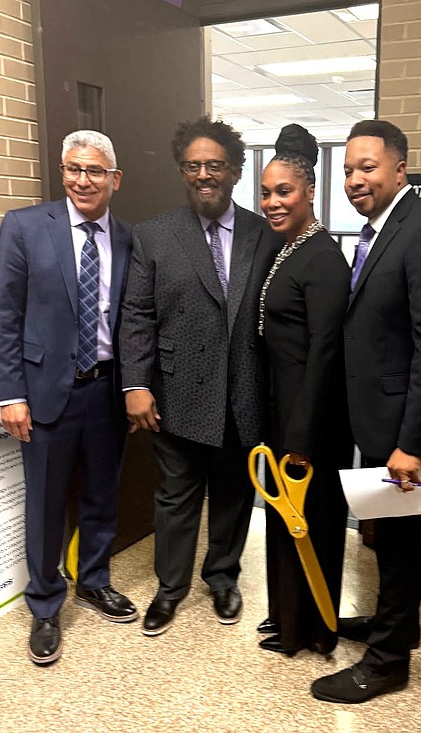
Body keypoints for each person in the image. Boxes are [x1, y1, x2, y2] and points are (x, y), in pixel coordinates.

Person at [311, 120, 421, 704]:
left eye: (367, 168)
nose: (355, 180)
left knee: (400, 542)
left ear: (399, 169)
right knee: (385, 536)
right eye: (349, 169)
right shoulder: (378, 230)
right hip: (377, 415)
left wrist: (411, 443)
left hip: (405, 424)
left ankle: (387, 664)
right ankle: (395, 627)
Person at [119, 116, 282, 636]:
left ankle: (223, 577)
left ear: (234, 171)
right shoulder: (153, 235)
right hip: (175, 391)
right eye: (193, 167)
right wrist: (136, 384)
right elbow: (137, 314)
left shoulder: (263, 233)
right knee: (175, 497)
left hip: (243, 391)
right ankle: (170, 590)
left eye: (214, 165)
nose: (204, 175)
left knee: (234, 493)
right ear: (183, 172)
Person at [0, 130, 137, 666]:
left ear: (114, 180)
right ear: (62, 171)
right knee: (48, 505)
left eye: (94, 171)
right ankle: (46, 606)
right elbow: (5, 315)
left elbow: (132, 321)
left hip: (105, 390)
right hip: (45, 393)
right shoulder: (26, 227)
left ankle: (94, 581)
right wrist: (9, 392)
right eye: (73, 168)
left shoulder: (126, 237)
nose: (82, 180)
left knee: (102, 496)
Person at [256, 125, 351, 656]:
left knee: (310, 523)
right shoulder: (287, 249)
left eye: (283, 192)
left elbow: (326, 351)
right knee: (283, 520)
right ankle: (285, 618)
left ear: (310, 192)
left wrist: (301, 431)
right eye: (266, 193)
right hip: (284, 408)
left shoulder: (323, 259)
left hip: (310, 420)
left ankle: (312, 630)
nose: (272, 202)